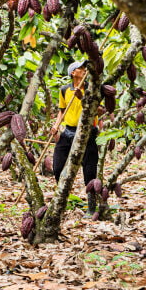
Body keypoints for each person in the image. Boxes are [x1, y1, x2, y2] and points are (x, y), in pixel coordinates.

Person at [50, 61, 99, 216]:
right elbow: (61, 110)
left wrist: (82, 97)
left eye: (85, 68)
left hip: (87, 132)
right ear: (73, 73)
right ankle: (64, 200)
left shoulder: (92, 89)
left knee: (89, 170)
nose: (84, 70)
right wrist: (56, 126)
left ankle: (91, 206)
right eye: (81, 69)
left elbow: (97, 108)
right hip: (69, 132)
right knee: (58, 167)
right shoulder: (64, 90)